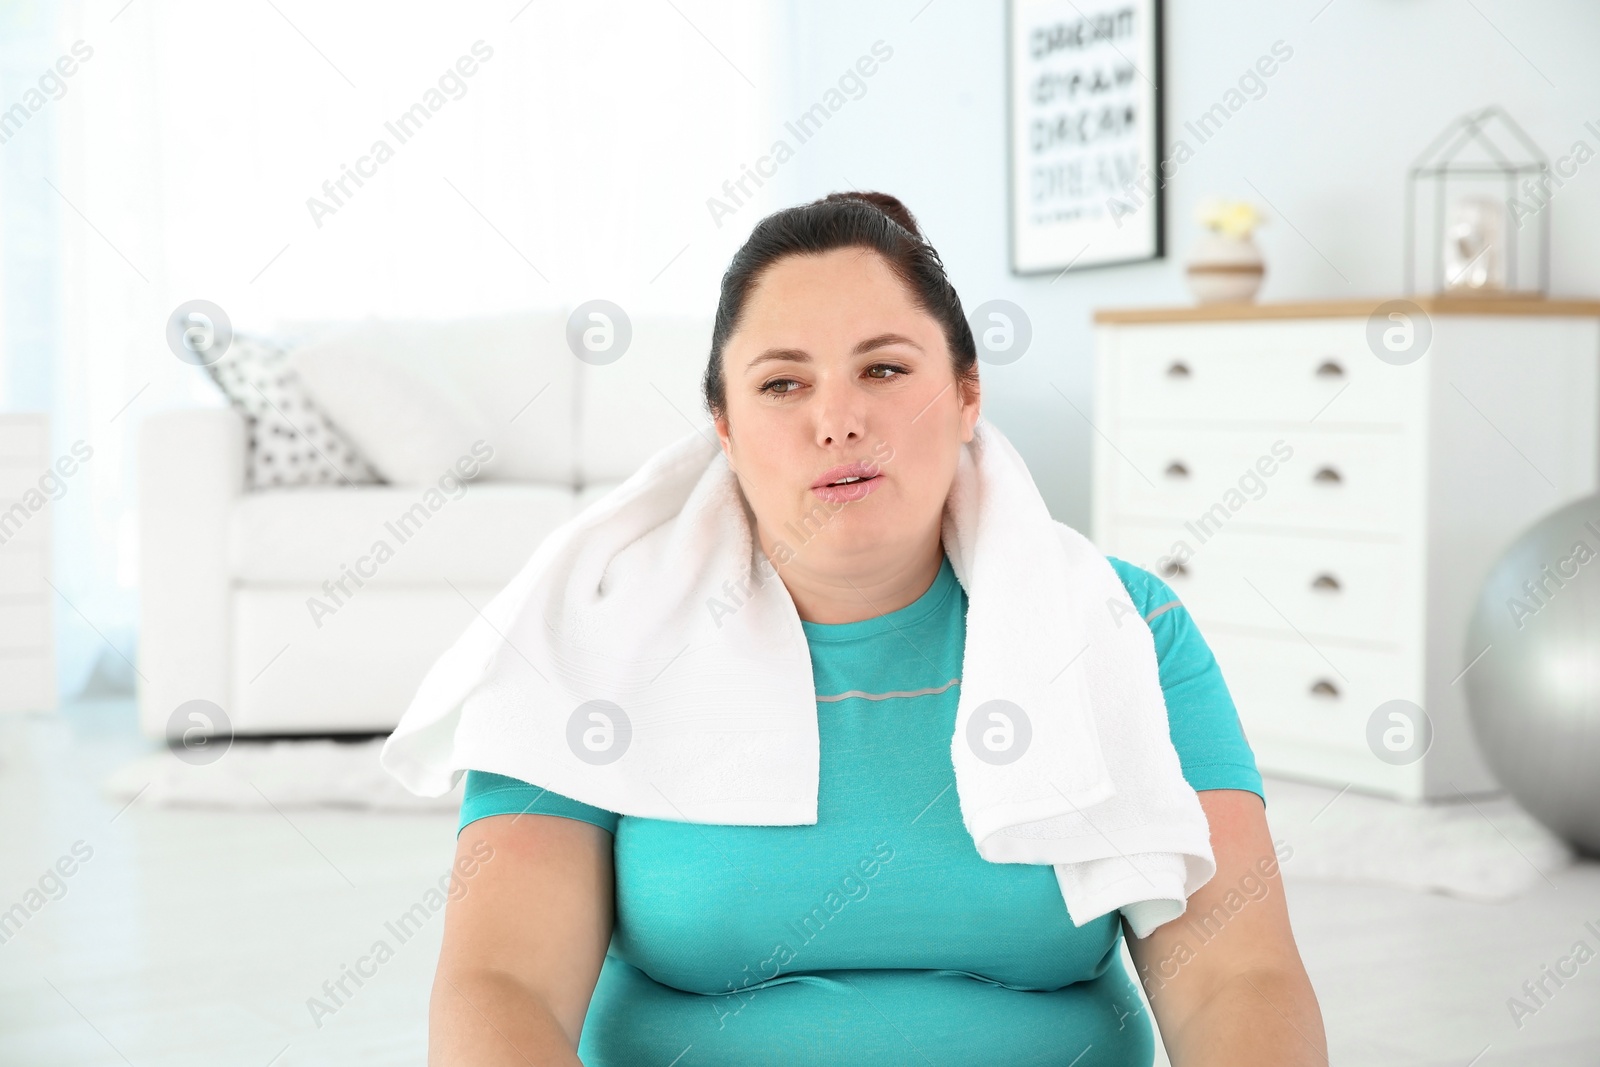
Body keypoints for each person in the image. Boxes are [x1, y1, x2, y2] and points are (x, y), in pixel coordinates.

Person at [426, 191, 1326, 1065]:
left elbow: (1236, 981)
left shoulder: (1127, 626)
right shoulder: (590, 635)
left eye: (885, 369)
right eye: (783, 383)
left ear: (968, 393)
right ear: (725, 428)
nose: (839, 420)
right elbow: (502, 987)